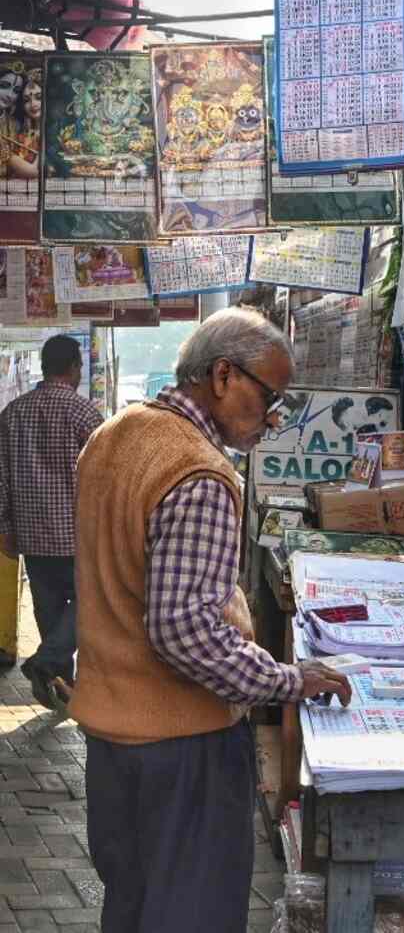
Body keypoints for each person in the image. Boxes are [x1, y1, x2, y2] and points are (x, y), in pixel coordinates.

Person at [69, 307, 352, 933]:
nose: (273, 416)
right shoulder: (198, 471)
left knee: (133, 907)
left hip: (114, 739)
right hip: (182, 748)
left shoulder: (113, 435)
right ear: (223, 375)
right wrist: (288, 680)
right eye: (269, 395)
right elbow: (185, 631)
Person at [0, 334, 102, 708]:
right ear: (74, 367)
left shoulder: (13, 413)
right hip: (78, 535)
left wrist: (4, 528)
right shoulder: (84, 413)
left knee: (49, 611)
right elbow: (106, 473)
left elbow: (1, 478)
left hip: (31, 534)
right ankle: (48, 665)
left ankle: (56, 684)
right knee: (90, 603)